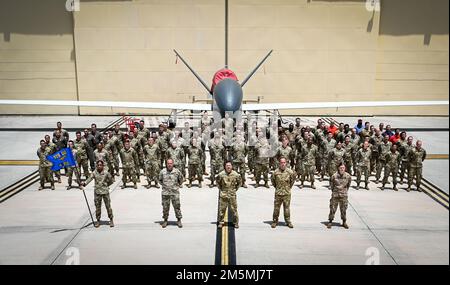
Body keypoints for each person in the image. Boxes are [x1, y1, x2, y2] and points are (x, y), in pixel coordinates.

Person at [82, 160, 114, 228]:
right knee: (97, 207)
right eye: (98, 165)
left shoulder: (106, 173)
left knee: (108, 206)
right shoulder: (94, 173)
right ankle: (98, 220)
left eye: (100, 165)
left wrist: (106, 185)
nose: (99, 166)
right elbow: (89, 179)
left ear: (103, 166)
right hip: (97, 192)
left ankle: (111, 219)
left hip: (105, 192)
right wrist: (84, 184)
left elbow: (111, 180)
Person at [271, 158, 296, 228]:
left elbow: (292, 181)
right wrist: (277, 188)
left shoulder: (290, 172)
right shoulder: (275, 172)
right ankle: (275, 221)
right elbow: (273, 181)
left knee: (287, 208)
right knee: (276, 208)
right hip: (278, 193)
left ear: (286, 163)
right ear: (279, 163)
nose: (283, 164)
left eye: (284, 162)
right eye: (281, 162)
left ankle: (288, 221)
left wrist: (288, 188)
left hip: (286, 193)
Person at [159, 158, 184, 228]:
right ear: (166, 164)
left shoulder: (177, 171)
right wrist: (165, 186)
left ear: (173, 164)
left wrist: (175, 186)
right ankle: (165, 220)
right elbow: (160, 180)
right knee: (165, 207)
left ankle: (179, 220)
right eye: (168, 163)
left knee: (177, 207)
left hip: (175, 192)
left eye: (171, 163)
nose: (169, 165)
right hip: (165, 193)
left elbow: (181, 179)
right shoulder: (162, 172)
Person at [217, 161, 241, 229]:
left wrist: (234, 189)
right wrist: (222, 189)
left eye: (229, 165)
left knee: (234, 209)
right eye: (227, 165)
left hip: (232, 194)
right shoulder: (221, 174)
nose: (228, 167)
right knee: (222, 209)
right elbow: (218, 183)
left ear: (232, 166)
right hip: (224, 194)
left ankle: (235, 222)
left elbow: (239, 183)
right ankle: (221, 222)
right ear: (225, 166)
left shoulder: (236, 174)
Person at [327, 163, 352, 229]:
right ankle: (330, 221)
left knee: (344, 209)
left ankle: (344, 222)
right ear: (338, 168)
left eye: (343, 167)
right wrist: (335, 191)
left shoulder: (348, 176)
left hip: (344, 195)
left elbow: (348, 185)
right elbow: (331, 185)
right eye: (341, 167)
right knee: (332, 209)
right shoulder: (334, 176)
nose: (342, 169)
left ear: (345, 168)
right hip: (335, 195)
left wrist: (344, 191)